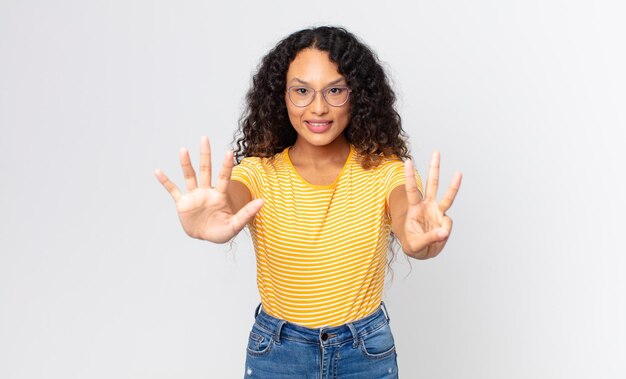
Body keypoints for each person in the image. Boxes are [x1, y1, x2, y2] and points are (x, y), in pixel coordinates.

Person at [155, 26, 462, 379]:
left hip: (364, 352)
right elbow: (229, 202)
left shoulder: (388, 172)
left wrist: (421, 243)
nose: (318, 107)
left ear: (357, 95)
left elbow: (411, 225)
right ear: (280, 96)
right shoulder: (258, 173)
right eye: (302, 91)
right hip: (279, 353)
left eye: (335, 90)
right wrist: (215, 216)